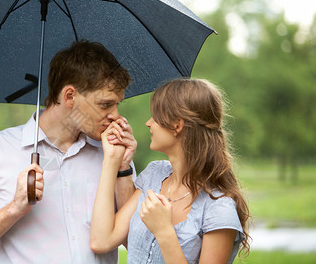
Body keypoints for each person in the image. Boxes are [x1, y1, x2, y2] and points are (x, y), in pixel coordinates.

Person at [0, 40, 137, 264]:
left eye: (117, 105)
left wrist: (123, 170)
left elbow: (136, 244)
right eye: (105, 105)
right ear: (70, 96)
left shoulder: (113, 155)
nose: (115, 115)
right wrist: (14, 208)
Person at [90, 78, 251, 264]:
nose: (148, 123)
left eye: (155, 116)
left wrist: (164, 231)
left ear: (177, 125)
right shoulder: (155, 175)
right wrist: (113, 160)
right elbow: (101, 240)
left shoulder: (218, 208)